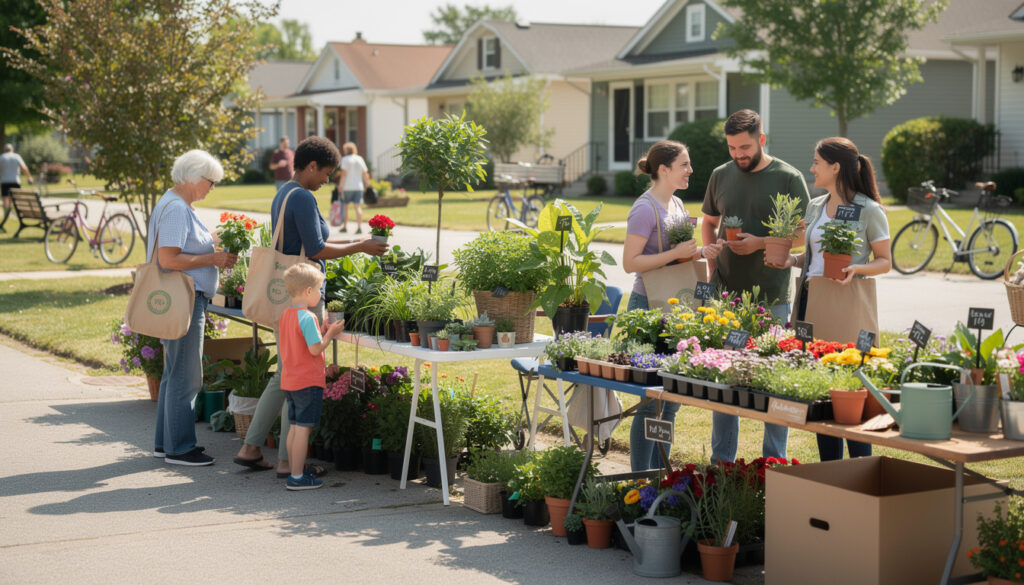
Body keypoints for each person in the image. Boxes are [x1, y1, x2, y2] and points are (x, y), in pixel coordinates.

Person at [233, 136, 388, 475]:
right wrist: (359, 246)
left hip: (287, 295)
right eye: (325, 173)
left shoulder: (284, 192)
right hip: (306, 294)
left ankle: (251, 446)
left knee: (285, 374)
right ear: (311, 166)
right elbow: (316, 249)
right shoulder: (302, 197)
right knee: (300, 378)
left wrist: (355, 242)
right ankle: (289, 462)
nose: (326, 181)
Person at [700, 109, 810, 464]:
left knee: (772, 379)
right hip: (727, 295)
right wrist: (713, 262)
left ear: (762, 140)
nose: (738, 155)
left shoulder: (788, 177)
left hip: (772, 296)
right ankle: (722, 466)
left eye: (745, 147)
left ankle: (773, 464)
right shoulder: (720, 175)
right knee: (726, 379)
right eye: (732, 148)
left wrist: (761, 242)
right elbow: (709, 222)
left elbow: (802, 233)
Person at [777, 137, 891, 461]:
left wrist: (857, 268)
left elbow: (884, 261)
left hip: (848, 306)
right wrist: (792, 261)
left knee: (851, 397)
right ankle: (831, 473)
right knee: (821, 399)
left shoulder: (869, 210)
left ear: (835, 167)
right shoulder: (816, 206)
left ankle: (861, 471)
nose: (811, 168)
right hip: (811, 303)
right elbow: (812, 257)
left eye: (816, 162)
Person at [622, 140, 724, 471]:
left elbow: (680, 255)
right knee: (652, 399)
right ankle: (643, 478)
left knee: (673, 399)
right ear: (664, 170)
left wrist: (701, 253)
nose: (691, 170)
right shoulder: (644, 208)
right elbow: (630, 262)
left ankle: (660, 474)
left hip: (676, 308)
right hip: (647, 307)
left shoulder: (677, 204)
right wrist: (675, 255)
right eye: (684, 165)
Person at [150, 150, 238, 466]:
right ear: (192, 177)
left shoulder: (175, 203)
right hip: (185, 301)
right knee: (186, 377)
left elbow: (183, 246)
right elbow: (168, 259)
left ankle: (166, 443)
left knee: (175, 374)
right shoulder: (177, 209)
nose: (211, 188)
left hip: (179, 300)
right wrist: (213, 258)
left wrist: (214, 240)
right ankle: (180, 449)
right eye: (210, 182)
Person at [278, 263, 346, 490]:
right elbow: (316, 349)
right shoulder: (307, 318)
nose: (320, 294)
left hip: (290, 380)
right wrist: (331, 334)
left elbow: (304, 342)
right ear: (308, 291)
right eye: (319, 290)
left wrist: (323, 330)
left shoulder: (286, 315)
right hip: (307, 382)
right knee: (303, 430)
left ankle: (293, 471)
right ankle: (297, 477)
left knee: (295, 428)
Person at [337, 142, 371, 234]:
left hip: (347, 187)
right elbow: (365, 173)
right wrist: (367, 184)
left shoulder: (344, 159)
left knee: (346, 207)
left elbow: (344, 174)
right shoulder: (360, 159)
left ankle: (345, 227)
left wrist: (340, 185)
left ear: (346, 150)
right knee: (357, 207)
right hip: (358, 187)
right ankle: (359, 227)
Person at [0, 144, 33, 233]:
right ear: (12, 150)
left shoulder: (1, 157)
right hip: (15, 181)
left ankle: (7, 214)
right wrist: (29, 177)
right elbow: (24, 167)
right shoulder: (16, 156)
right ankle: (13, 213)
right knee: (15, 200)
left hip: (4, 181)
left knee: (5, 200)